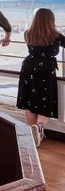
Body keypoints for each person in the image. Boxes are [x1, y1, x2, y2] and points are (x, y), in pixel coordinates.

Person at [17, 8, 65, 147]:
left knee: (29, 101)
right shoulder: (56, 36)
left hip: (29, 67)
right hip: (46, 69)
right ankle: (39, 128)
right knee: (46, 101)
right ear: (51, 20)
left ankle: (33, 131)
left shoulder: (28, 34)